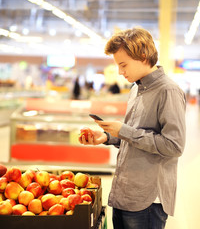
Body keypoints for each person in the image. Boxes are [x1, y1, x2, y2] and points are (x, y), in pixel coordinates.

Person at [79, 27, 186, 229]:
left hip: (146, 201)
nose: (120, 72)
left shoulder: (168, 91)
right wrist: (107, 137)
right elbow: (137, 137)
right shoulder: (136, 88)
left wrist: (124, 130)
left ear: (143, 56)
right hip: (125, 193)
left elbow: (174, 146)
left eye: (123, 64)